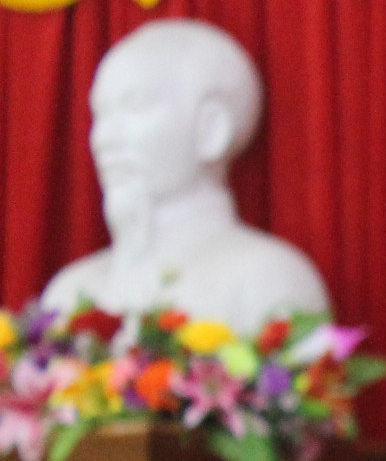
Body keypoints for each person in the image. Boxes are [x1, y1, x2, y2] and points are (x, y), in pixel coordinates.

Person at [42, 19, 333, 332]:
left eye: (135, 106)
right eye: (100, 113)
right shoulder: (71, 292)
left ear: (211, 128)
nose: (104, 139)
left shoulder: (268, 280)